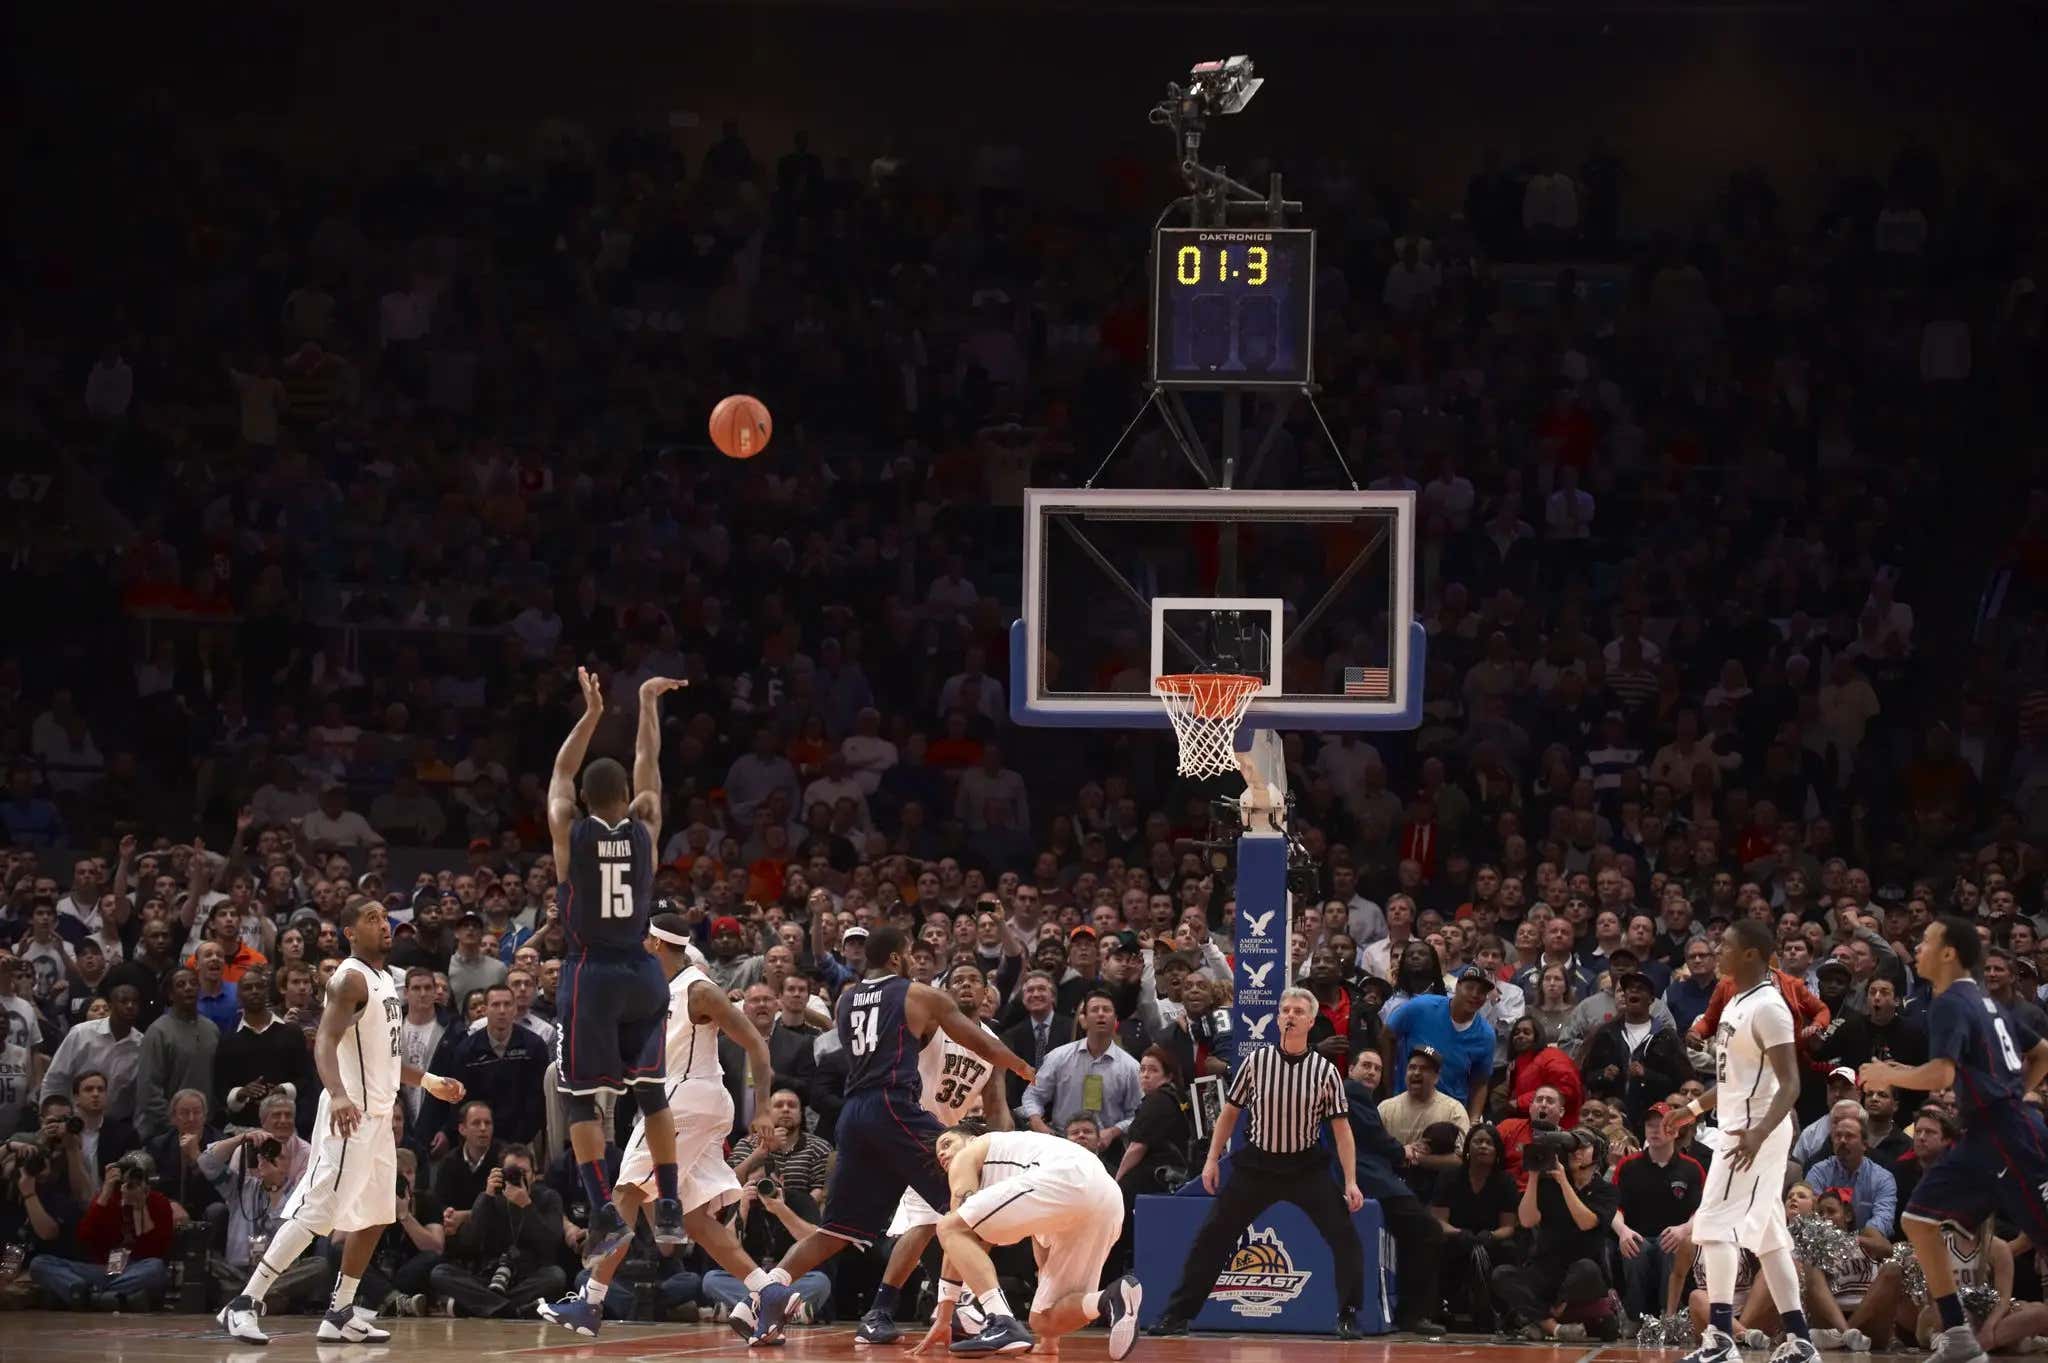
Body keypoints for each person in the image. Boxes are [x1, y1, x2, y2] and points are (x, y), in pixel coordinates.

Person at [748, 927, 1033, 1345]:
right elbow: (980, 1044)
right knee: (974, 1200)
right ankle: (991, 1314)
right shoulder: (920, 997)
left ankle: (770, 1290)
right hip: (897, 1109)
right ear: (899, 959)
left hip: (857, 1113)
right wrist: (1024, 1067)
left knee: (839, 1229)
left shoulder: (846, 1000)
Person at [215, 898, 465, 1345]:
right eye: (370, 919)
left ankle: (340, 1311)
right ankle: (245, 1302)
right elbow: (324, 1044)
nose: (382, 925)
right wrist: (339, 1095)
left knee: (375, 1214)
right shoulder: (349, 978)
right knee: (318, 1213)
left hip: (378, 1119)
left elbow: (385, 1058)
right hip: (349, 1118)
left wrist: (427, 1080)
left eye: (384, 918)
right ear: (349, 932)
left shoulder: (386, 980)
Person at [541, 912, 778, 1338]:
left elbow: (756, 1044)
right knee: (694, 1219)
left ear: (653, 943)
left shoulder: (699, 989)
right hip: (686, 1104)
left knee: (625, 1193)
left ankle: (590, 1303)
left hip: (686, 1101)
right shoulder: (653, 990)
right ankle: (768, 1293)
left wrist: (761, 1106)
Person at [1858, 915, 2048, 1363]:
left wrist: (1889, 1073)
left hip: (2010, 1137)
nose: (1917, 948)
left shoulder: (1949, 1002)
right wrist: (2021, 1091)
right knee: (1920, 1221)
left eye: (1925, 941)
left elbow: (1942, 1073)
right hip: (1982, 1135)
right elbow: (2041, 1052)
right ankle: (1959, 1336)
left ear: (1948, 953)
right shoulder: (1987, 1001)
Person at [550, 669, 692, 1263]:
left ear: (584, 799)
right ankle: (669, 1203)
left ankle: (604, 1210)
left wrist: (591, 714)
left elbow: (560, 772)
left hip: (592, 974)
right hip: (643, 972)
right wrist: (644, 705)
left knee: (578, 1096)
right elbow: (649, 765)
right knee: (651, 1092)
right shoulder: (648, 827)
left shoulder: (569, 829)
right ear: (626, 801)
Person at [1148, 988, 1368, 1340]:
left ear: (1311, 1022)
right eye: (1285, 1010)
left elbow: (1342, 1131)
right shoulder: (1257, 1061)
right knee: (1212, 1238)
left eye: (1298, 1010)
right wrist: (1211, 1161)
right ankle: (1176, 1315)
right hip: (1256, 1165)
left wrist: (1351, 1181)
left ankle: (1349, 1315)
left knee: (1345, 1237)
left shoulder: (1325, 1072)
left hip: (1305, 1167)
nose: (1291, 1015)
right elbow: (1229, 1114)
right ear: (1278, 1018)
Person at [1663, 917, 1817, 1363]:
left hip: (1753, 1131)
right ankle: (1801, 1341)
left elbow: (1791, 1085)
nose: (1717, 952)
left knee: (1713, 1226)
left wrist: (1759, 1134)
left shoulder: (1770, 1006)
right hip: (1743, 1125)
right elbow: (1732, 1080)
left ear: (1750, 954)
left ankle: (1720, 1339)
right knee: (1769, 1236)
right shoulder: (1734, 1001)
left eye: (1725, 946)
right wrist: (1691, 1109)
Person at [857, 961, 1012, 1344]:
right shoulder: (934, 1025)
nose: (964, 985)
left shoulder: (992, 1044)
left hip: (952, 1140)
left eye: (973, 980)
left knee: (968, 1220)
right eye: (956, 979)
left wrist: (1002, 1147)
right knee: (928, 1224)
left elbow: (996, 1105)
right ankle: (883, 1310)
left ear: (986, 993)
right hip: (912, 1129)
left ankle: (954, 1305)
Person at [913, 1125, 1143, 1359]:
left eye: (947, 1143)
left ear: (971, 1139)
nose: (942, 1153)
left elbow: (957, 1229)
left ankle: (1001, 1321)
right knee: (1044, 1319)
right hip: (1106, 1197)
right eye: (938, 1151)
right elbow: (1043, 1261)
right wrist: (1049, 1343)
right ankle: (1111, 1298)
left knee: (949, 1225)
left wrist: (944, 1316)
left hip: (1068, 1176)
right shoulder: (1020, 1179)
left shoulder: (971, 1152)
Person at [1383, 965, 1496, 1121]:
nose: (1475, 995)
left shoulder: (1486, 1035)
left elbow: (1480, 1083)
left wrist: (1473, 1120)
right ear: (1457, 987)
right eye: (1469, 988)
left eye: (1482, 992)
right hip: (1406, 1104)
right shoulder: (1422, 1007)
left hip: (1449, 1115)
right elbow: (1388, 1034)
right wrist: (1388, 1085)